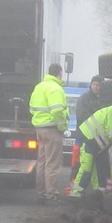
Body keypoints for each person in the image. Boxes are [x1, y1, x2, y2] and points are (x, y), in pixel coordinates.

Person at [28, 62, 70, 202]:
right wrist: (62, 126)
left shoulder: (39, 87)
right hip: (52, 130)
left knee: (42, 162)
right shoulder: (55, 88)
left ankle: (41, 193)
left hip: (40, 129)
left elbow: (32, 108)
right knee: (53, 163)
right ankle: (51, 195)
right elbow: (57, 110)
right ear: (59, 73)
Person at [68, 103, 112, 197]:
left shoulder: (111, 111)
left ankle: (99, 191)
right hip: (88, 140)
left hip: (94, 142)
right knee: (86, 168)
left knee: (98, 168)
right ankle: (76, 192)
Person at [69, 73, 105, 191]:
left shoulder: (104, 99)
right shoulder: (83, 98)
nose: (95, 87)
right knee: (79, 158)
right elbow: (82, 115)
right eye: (93, 84)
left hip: (99, 136)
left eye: (98, 85)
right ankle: (73, 182)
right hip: (83, 134)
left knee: (98, 162)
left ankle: (97, 187)